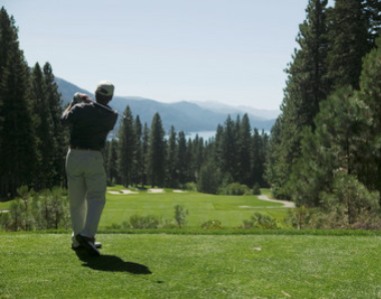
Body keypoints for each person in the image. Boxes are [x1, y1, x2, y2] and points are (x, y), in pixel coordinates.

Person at [61, 81, 118, 256]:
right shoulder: (112, 115)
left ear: (95, 92)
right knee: (96, 198)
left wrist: (74, 101)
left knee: (76, 200)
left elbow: (64, 120)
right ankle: (87, 236)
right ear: (110, 97)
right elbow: (97, 110)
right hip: (93, 157)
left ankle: (78, 239)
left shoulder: (79, 108)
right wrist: (86, 102)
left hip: (74, 156)